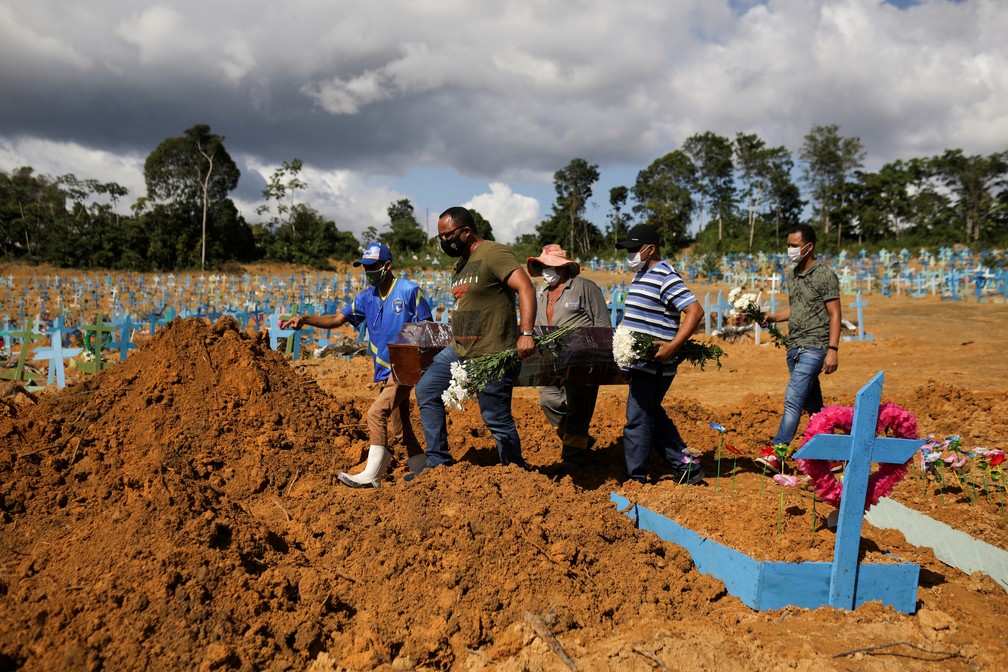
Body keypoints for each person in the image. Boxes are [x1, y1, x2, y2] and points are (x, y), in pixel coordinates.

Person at [282, 242, 432, 488]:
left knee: (375, 413)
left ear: (387, 265)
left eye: (372, 267)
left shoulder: (408, 290)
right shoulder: (365, 298)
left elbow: (427, 326)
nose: (368, 272)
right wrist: (305, 319)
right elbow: (336, 318)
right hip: (384, 369)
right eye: (365, 267)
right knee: (399, 421)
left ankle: (372, 474)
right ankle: (422, 467)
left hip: (406, 365)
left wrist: (419, 362)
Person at [412, 206, 537, 476]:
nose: (444, 242)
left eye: (448, 236)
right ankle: (437, 462)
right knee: (426, 390)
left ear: (466, 232)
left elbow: (525, 287)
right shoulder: (459, 265)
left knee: (495, 418)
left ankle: (515, 473)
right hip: (459, 351)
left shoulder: (494, 253)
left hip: (492, 352)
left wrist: (526, 334)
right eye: (440, 238)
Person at [615, 224, 705, 485]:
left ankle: (636, 477)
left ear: (650, 249)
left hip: (653, 363)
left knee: (638, 418)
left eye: (634, 249)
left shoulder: (665, 275)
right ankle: (686, 466)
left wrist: (673, 345)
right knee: (649, 412)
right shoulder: (641, 275)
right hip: (639, 361)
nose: (630, 254)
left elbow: (695, 311)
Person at [755, 223, 842, 474]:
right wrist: (772, 317)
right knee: (814, 407)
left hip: (815, 347)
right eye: (788, 245)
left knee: (793, 400)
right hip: (794, 348)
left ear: (809, 246)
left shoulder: (825, 275)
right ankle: (832, 456)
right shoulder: (792, 275)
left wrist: (833, 349)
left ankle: (777, 453)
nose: (790, 250)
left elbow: (834, 314)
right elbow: (797, 308)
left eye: (794, 245)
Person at [526, 244, 612, 466]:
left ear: (563, 268)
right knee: (548, 400)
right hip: (553, 360)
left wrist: (599, 356)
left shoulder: (585, 288)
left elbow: (602, 324)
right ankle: (578, 440)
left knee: (578, 407)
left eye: (549, 266)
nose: (545, 270)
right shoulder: (543, 294)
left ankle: (572, 458)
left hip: (583, 358)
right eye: (542, 266)